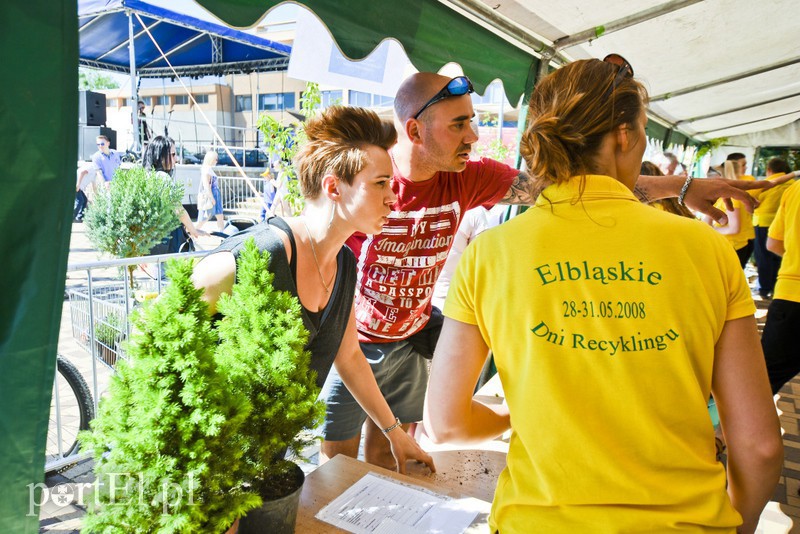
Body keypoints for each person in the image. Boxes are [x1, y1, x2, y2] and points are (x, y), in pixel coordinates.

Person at [319, 70, 775, 471]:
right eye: (459, 124)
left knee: (389, 452)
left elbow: (575, 183)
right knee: (336, 462)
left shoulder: (467, 177)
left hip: (413, 336)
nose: (474, 135)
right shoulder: (370, 184)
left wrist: (683, 185)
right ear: (415, 130)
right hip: (354, 345)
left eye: (472, 121)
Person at [423, 57, 782, 533]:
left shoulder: (490, 254)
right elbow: (759, 446)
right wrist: (742, 523)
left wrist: (512, 414)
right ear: (623, 136)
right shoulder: (706, 251)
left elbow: (445, 424)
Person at [191, 106, 435, 475]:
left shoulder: (345, 264)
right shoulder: (258, 254)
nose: (393, 199)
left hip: (263, 465)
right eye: (381, 183)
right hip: (204, 466)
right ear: (333, 187)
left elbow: (350, 356)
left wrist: (394, 433)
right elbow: (161, 331)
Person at [761, 175, 800, 393]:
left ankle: (722, 427)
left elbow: (773, 243)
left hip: (791, 296)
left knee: (762, 382)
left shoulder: (795, 189)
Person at [142, 135, 203, 252]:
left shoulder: (147, 176)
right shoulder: (162, 177)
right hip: (168, 239)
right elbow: (177, 209)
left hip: (153, 239)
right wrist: (193, 230)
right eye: (173, 154)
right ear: (160, 156)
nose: (176, 159)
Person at [751, 158, 799, 298]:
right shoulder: (792, 184)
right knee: (777, 259)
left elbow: (750, 196)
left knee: (764, 258)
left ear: (769, 170)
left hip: (763, 223)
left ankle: (765, 288)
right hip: (784, 225)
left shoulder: (768, 183)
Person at [702, 157, 757, 268]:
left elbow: (734, 228)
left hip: (734, 246)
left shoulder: (732, 198)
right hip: (731, 244)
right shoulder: (720, 196)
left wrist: (710, 229)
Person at [197, 150, 225, 232]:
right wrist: (212, 198)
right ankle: (191, 233)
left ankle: (222, 235)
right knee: (205, 218)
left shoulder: (208, 169)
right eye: (215, 159)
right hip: (211, 195)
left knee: (220, 216)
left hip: (215, 194)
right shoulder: (207, 169)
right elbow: (206, 185)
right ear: (210, 159)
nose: (216, 161)